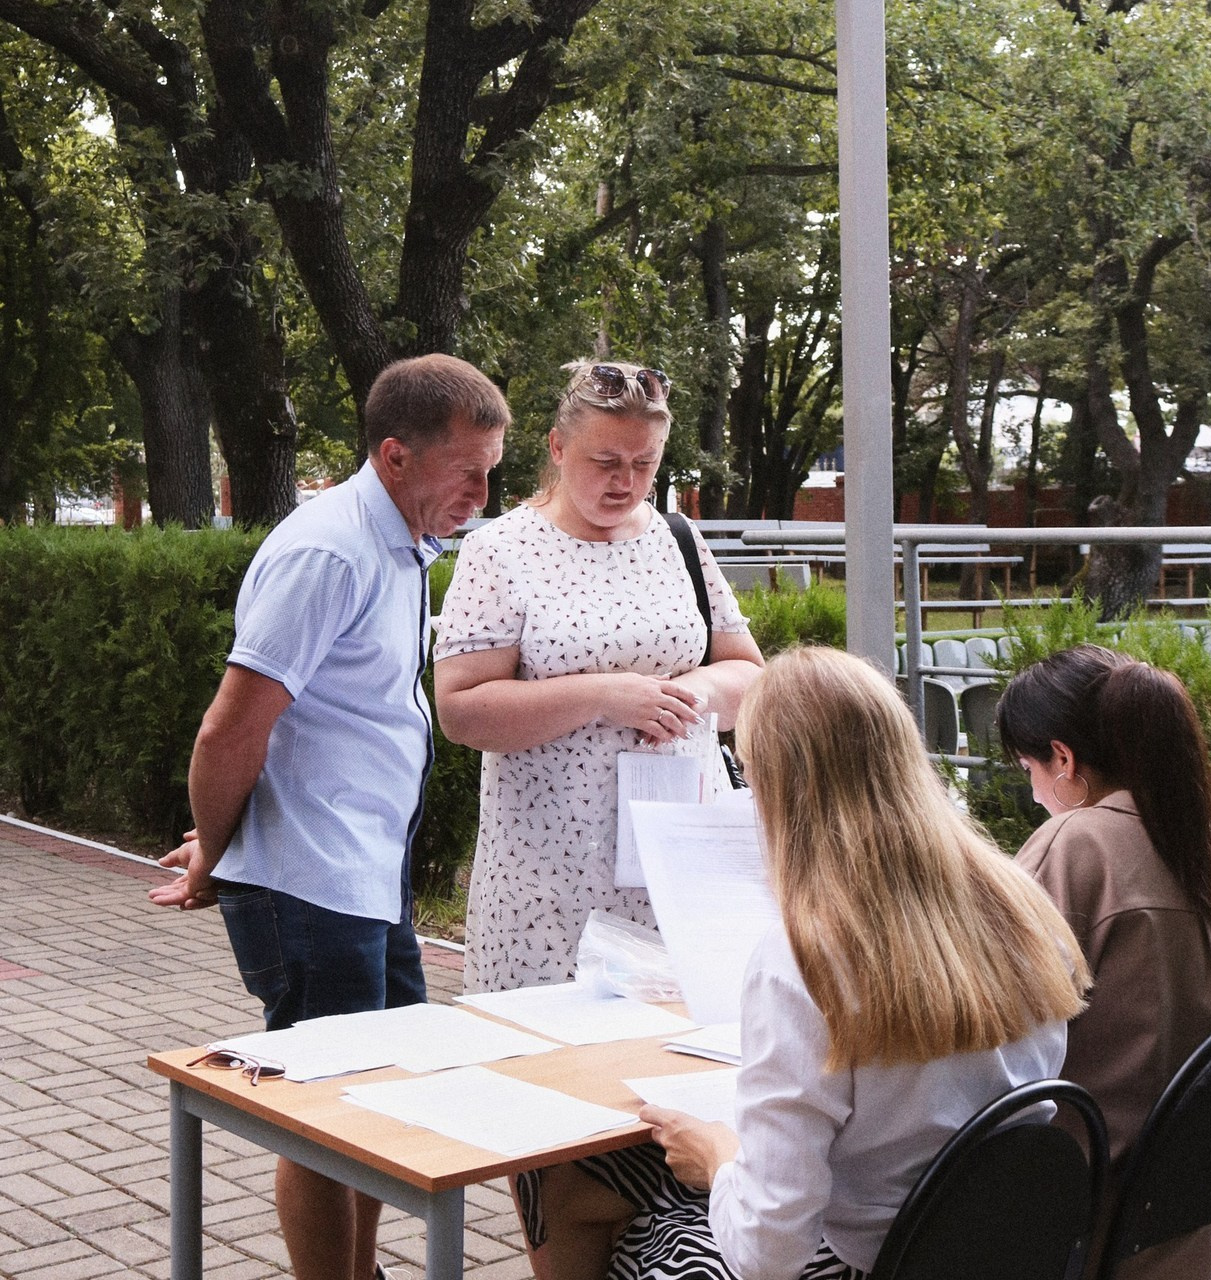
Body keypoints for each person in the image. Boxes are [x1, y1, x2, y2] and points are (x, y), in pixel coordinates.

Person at [523, 646, 1089, 1280]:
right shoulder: (1022, 906)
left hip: (869, 1257)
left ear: (780, 788)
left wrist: (719, 1157)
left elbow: (768, 1254)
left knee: (610, 1214)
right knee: (582, 1182)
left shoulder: (805, 958)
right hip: (994, 1244)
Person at [147, 353, 510, 1280]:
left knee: (377, 1102)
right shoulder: (329, 552)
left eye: (490, 473)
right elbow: (232, 727)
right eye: (467, 472)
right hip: (315, 884)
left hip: (362, 877)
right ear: (395, 455)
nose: (481, 495)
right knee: (326, 1115)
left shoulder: (400, 543)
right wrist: (217, 851)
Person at [432, 360, 765, 992]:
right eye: (606, 461)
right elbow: (460, 710)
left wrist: (690, 694)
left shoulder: (679, 539)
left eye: (645, 464)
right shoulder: (500, 550)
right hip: (547, 879)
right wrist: (602, 696)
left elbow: (752, 677)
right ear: (558, 448)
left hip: (676, 870)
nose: (626, 482)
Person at [997, 643, 1211, 1279]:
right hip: (1193, 1229)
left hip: (1080, 1233)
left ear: (1063, 758)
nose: (1035, 794)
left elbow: (988, 1040)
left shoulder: (1072, 848)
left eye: (1029, 769)